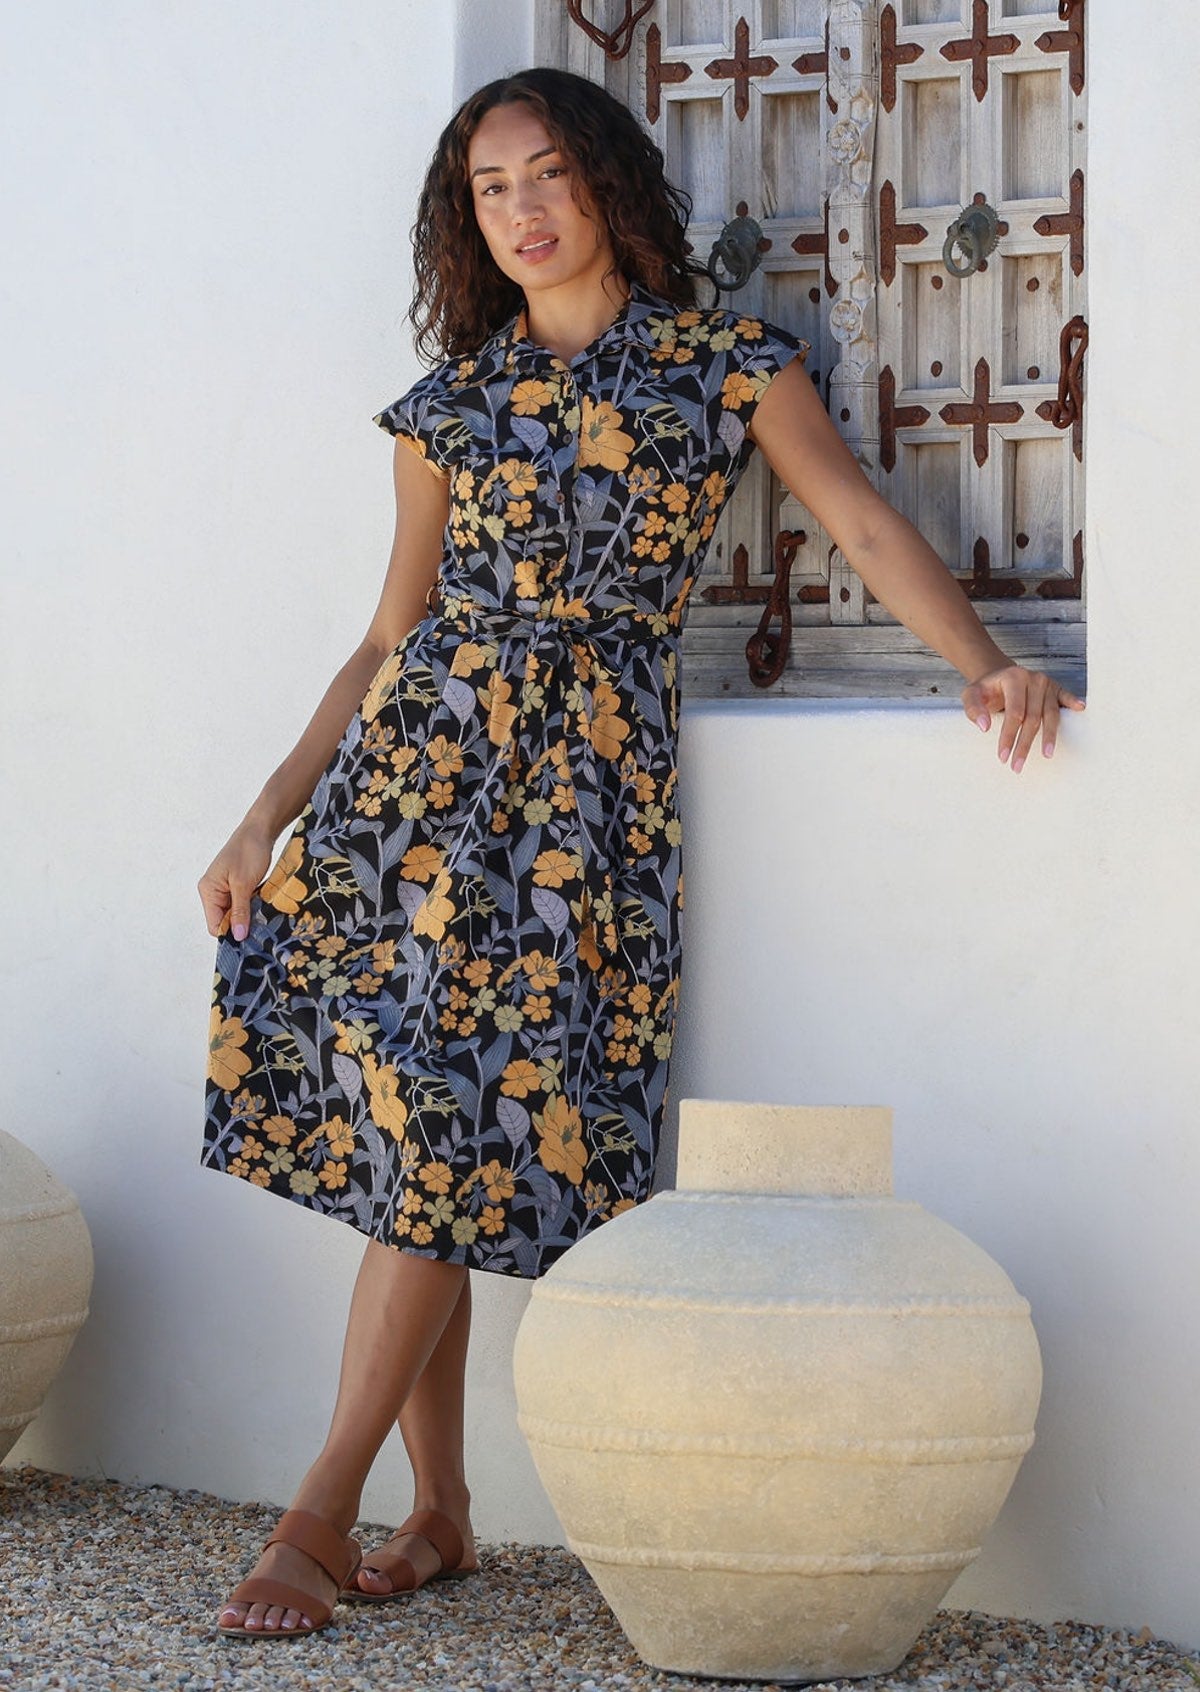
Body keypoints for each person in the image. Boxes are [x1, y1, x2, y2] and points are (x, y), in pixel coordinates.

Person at [199, 66, 1084, 1639]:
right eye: (490, 189)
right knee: (422, 1135)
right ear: (464, 219)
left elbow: (861, 523)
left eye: (547, 174)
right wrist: (264, 817)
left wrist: (982, 658)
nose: (523, 210)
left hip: (576, 807)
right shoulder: (450, 404)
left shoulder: (723, 366)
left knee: (457, 1128)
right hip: (408, 800)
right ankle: (429, 1511)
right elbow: (389, 637)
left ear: (604, 183)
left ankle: (322, 1511)